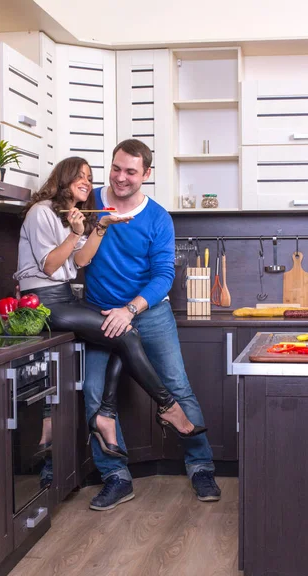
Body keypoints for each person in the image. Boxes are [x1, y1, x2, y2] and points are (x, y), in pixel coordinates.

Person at [13, 156, 205, 463]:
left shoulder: (75, 215)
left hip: (67, 299)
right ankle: (166, 408)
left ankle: (114, 418)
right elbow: (50, 267)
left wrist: (99, 226)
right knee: (121, 342)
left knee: (124, 338)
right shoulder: (41, 211)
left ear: (146, 174)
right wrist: (78, 232)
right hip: (45, 302)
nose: (88, 182)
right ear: (63, 178)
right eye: (80, 175)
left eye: (89, 177)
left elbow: (79, 262)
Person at [83, 139, 221, 511]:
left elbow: (163, 275)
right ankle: (115, 476)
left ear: (146, 174)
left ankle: (201, 465)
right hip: (97, 314)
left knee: (177, 386)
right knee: (94, 393)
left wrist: (130, 309)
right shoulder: (89, 203)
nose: (121, 177)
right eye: (116, 168)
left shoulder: (158, 217)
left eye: (131, 171)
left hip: (148, 312)